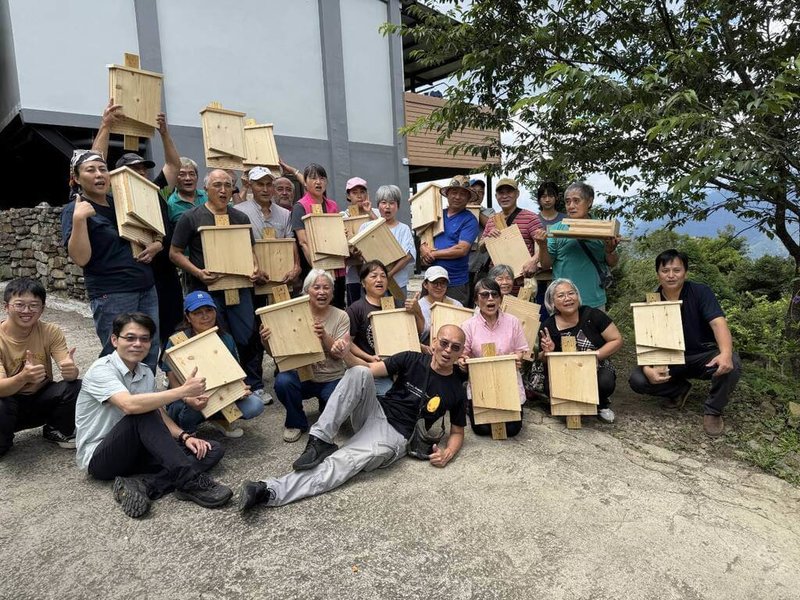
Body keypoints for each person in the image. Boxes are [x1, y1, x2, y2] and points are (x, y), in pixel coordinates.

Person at [238, 324, 468, 511]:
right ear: (434, 342)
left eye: (455, 347)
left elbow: (457, 431)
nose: (447, 350)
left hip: (394, 434)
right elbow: (368, 369)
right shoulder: (411, 358)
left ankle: (270, 491)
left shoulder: (455, 389)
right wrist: (344, 354)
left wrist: (447, 453)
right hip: (374, 410)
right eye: (444, 343)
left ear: (461, 352)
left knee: (343, 461)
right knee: (358, 372)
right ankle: (320, 439)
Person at [75, 312, 232, 518]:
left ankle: (145, 485)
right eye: (130, 338)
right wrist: (183, 391)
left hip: (139, 450)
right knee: (141, 412)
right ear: (114, 340)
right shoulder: (101, 370)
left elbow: (157, 410)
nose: (137, 344)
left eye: (144, 339)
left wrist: (185, 436)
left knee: (210, 449)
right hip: (102, 457)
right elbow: (129, 406)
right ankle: (189, 481)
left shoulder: (145, 372)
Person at [90, 102, 185, 350]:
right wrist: (105, 126)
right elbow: (94, 163)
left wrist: (164, 133)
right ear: (117, 175)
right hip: (133, 279)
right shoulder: (111, 198)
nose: (141, 173)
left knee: (171, 329)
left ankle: (167, 370)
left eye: (143, 169)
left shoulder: (155, 190)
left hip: (164, 274)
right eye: (134, 169)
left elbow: (174, 166)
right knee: (135, 337)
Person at [169, 169, 267, 397]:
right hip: (207, 290)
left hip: (239, 287)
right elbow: (175, 253)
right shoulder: (191, 217)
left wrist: (254, 268)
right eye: (217, 185)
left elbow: (251, 251)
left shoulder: (240, 218)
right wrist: (198, 272)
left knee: (247, 335)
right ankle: (222, 387)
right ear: (206, 189)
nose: (223, 190)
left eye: (227, 185)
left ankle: (254, 384)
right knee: (215, 337)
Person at [61, 150, 161, 370]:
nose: (99, 174)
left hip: (146, 286)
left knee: (149, 349)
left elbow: (149, 232)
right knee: (119, 354)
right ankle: (116, 393)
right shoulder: (74, 210)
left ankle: (145, 392)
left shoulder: (120, 203)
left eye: (103, 169)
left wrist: (156, 244)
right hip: (112, 292)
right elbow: (80, 258)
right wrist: (79, 220)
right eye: (90, 170)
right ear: (76, 178)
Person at [628, 249, 741, 436]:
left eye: (677, 270)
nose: (671, 275)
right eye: (665, 271)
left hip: (702, 356)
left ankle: (713, 410)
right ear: (658, 274)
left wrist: (726, 353)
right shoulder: (651, 301)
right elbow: (647, 340)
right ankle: (678, 390)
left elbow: (718, 322)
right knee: (638, 379)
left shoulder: (700, 292)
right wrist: (647, 367)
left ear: (685, 273)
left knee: (732, 363)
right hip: (670, 360)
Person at [161, 291, 264, 438]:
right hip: (186, 398)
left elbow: (234, 371)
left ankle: (219, 419)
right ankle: (186, 434)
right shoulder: (177, 340)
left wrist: (240, 389)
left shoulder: (226, 338)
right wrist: (187, 398)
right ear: (188, 317)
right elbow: (172, 380)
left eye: (209, 310)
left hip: (220, 394)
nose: (205, 316)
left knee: (255, 405)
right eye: (197, 312)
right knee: (188, 410)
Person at [266, 270, 350, 443]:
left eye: (326, 288)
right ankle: (296, 422)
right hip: (302, 377)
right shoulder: (294, 315)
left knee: (339, 409)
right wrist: (266, 340)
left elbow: (338, 355)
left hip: (331, 377)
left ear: (332, 292)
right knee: (283, 381)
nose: (322, 292)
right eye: (316, 287)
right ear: (306, 291)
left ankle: (325, 404)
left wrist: (324, 335)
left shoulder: (341, 316)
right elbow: (275, 354)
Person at [0, 278, 81, 457]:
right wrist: (23, 377)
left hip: (40, 399)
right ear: (6, 307)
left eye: (34, 305)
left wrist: (71, 372)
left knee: (75, 386)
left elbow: (67, 367)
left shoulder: (50, 331)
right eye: (19, 305)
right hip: (8, 403)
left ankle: (55, 428)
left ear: (42, 309)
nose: (26, 311)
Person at [538, 279, 623, 424]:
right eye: (561, 295)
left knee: (605, 382)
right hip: (564, 371)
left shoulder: (593, 315)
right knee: (549, 385)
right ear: (552, 303)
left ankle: (601, 404)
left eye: (571, 293)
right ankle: (568, 404)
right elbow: (541, 358)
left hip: (596, 366)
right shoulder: (548, 326)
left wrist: (594, 357)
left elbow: (616, 340)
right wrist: (548, 352)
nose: (567, 298)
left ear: (577, 296)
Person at [534, 181, 619, 310]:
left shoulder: (603, 229)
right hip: (563, 302)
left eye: (576, 201)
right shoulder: (556, 229)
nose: (571, 206)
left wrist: (610, 251)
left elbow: (612, 263)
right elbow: (546, 265)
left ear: (589, 202)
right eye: (568, 202)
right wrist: (543, 246)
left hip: (594, 301)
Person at [459, 278, 528, 436]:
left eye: (494, 294)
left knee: (512, 430)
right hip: (481, 384)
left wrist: (518, 358)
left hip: (508, 382)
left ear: (500, 299)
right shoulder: (468, 325)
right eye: (484, 295)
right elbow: (462, 354)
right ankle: (470, 405)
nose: (490, 299)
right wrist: (462, 361)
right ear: (476, 300)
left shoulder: (513, 322)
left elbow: (521, 350)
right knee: (482, 429)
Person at [345, 260, 424, 395]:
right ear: (363, 283)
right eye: (373, 276)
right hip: (373, 367)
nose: (379, 280)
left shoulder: (398, 304)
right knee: (389, 395)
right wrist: (369, 357)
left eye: (383, 276)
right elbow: (348, 342)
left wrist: (418, 312)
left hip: (400, 365)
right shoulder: (356, 309)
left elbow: (417, 331)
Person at [290, 163, 346, 308]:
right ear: (305, 182)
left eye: (322, 178)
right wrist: (319, 270)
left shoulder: (333, 206)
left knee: (338, 307)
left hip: (337, 267)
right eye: (313, 178)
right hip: (313, 269)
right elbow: (303, 242)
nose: (318, 182)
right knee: (317, 309)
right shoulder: (300, 207)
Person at [419, 175, 480, 305]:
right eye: (454, 192)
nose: (457, 197)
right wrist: (423, 248)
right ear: (447, 194)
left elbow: (462, 249)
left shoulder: (470, 220)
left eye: (462, 194)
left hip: (455, 281)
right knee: (425, 314)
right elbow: (424, 236)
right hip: (431, 279)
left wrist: (433, 254)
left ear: (468, 198)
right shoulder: (437, 214)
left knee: (454, 315)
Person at [480, 177, 543, 294]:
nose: (505, 196)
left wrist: (533, 261)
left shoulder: (531, 218)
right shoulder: (492, 220)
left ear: (517, 194)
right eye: (501, 193)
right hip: (497, 283)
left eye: (509, 192)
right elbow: (481, 248)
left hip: (523, 280)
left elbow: (543, 245)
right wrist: (488, 238)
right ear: (496, 196)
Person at [342, 177, 379, 305]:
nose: (359, 196)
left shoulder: (375, 213)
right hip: (353, 275)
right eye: (354, 192)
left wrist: (370, 212)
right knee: (356, 307)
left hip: (375, 270)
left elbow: (383, 232)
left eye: (362, 192)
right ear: (348, 196)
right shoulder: (343, 216)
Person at [417, 266, 463, 345]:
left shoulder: (456, 305)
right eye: (435, 283)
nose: (439, 287)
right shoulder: (419, 306)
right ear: (425, 284)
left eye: (443, 283)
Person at [166, 158, 208, 224]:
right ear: (174, 179)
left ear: (197, 177)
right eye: (182, 174)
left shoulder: (208, 196)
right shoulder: (171, 205)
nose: (188, 178)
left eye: (191, 174)